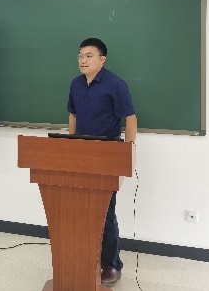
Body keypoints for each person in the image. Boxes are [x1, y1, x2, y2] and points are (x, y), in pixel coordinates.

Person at [67, 37, 137, 287]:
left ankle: (112, 264)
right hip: (81, 154)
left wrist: (127, 152)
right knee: (81, 209)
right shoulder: (76, 84)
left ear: (102, 59)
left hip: (107, 154)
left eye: (89, 55)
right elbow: (73, 115)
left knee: (105, 212)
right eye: (80, 55)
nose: (83, 60)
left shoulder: (115, 84)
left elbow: (130, 118)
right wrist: (71, 144)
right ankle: (88, 257)